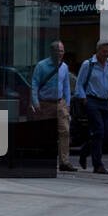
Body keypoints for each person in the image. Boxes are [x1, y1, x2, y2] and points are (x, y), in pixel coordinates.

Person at [29, 40, 76, 172]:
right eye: (57, 51)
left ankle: (64, 162)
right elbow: (35, 84)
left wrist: (67, 104)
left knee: (65, 132)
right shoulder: (41, 66)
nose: (60, 53)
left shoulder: (64, 67)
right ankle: (43, 159)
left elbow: (66, 86)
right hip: (45, 103)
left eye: (62, 51)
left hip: (60, 103)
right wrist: (36, 102)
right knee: (45, 133)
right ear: (51, 52)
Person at [76, 41, 108, 175]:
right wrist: (84, 99)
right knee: (98, 130)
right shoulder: (88, 65)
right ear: (97, 50)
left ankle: (84, 151)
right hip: (91, 101)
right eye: (104, 51)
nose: (106, 54)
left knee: (107, 134)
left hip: (105, 102)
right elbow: (79, 84)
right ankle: (98, 165)